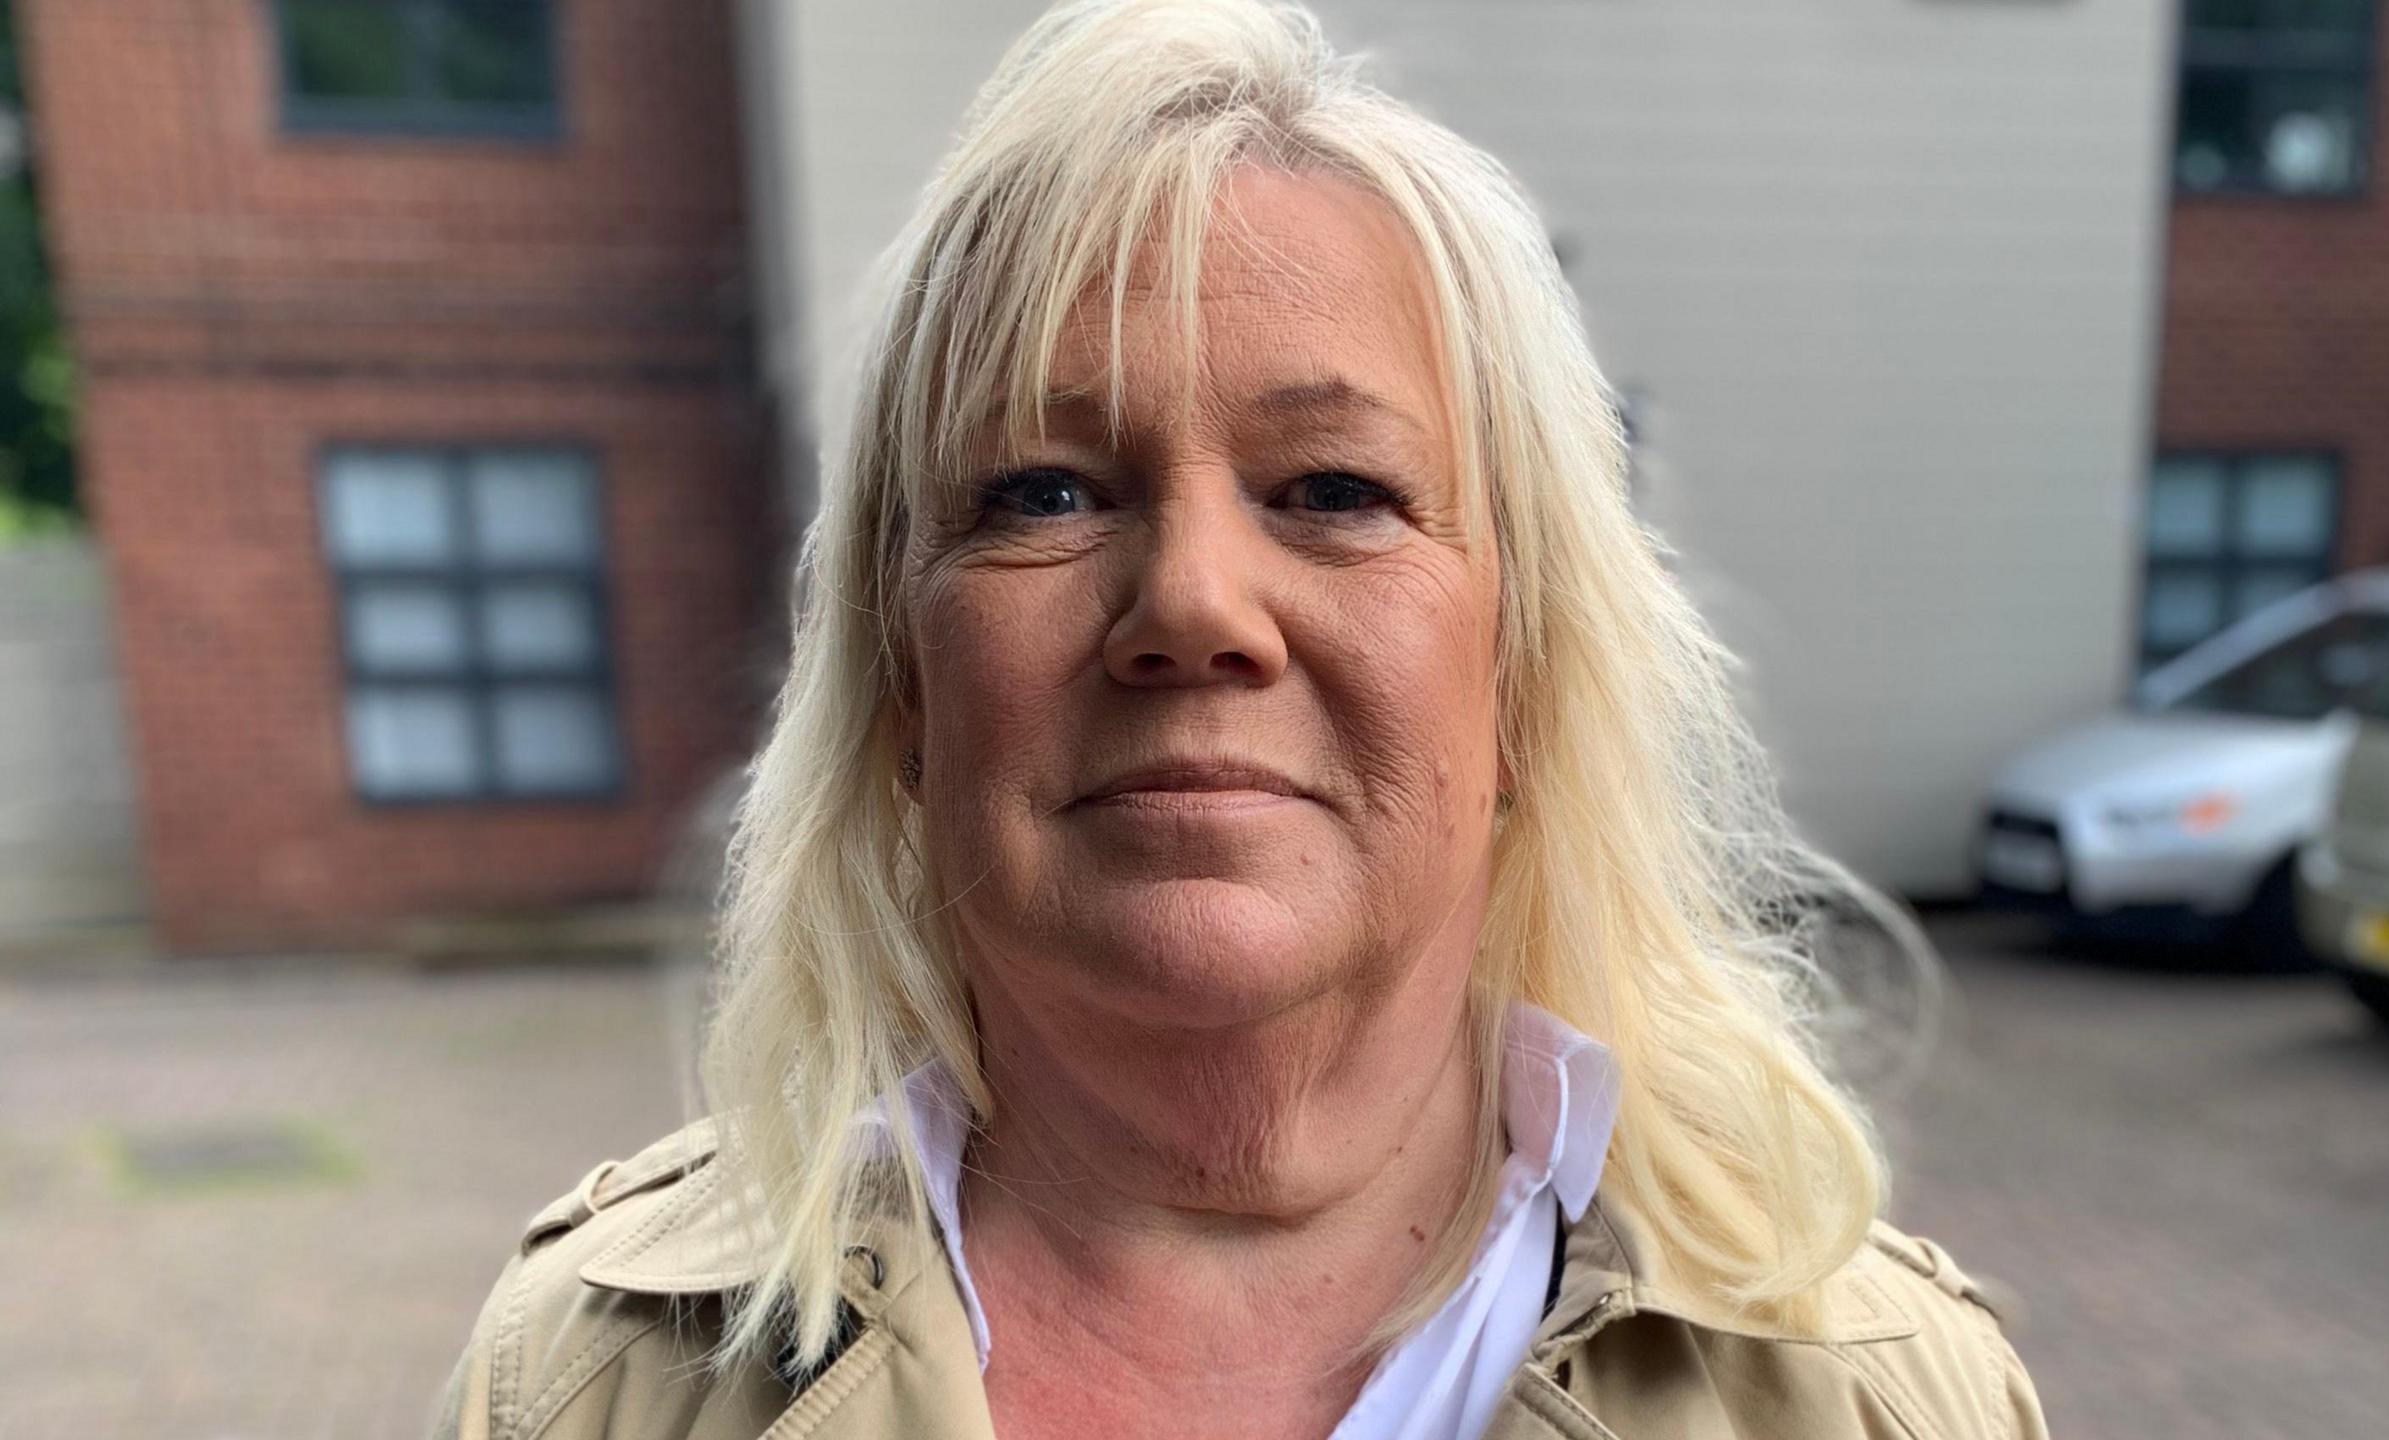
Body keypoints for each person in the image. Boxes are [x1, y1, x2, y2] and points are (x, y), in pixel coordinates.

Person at [434, 1, 2048, 1436]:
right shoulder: (587, 1389)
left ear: (1524, 675)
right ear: (908, 690)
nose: (1196, 604)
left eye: (1336, 490)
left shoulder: (1884, 1398)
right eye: (1045, 490)